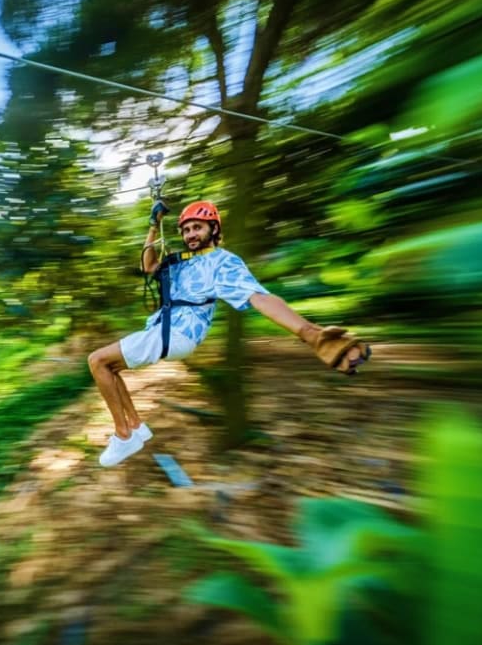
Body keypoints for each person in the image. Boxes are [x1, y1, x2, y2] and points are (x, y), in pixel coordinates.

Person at [88, 199, 371, 468]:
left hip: (176, 333)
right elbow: (148, 266)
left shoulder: (223, 262)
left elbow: (259, 298)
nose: (191, 234)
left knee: (97, 361)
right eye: (186, 229)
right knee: (111, 367)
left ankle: (124, 436)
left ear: (214, 230)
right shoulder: (183, 260)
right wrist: (153, 225)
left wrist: (309, 332)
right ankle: (137, 427)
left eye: (198, 227)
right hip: (165, 329)